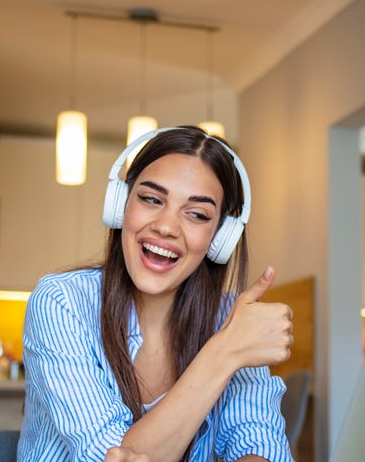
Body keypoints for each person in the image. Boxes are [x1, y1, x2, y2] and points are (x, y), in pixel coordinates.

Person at [18, 126, 294, 462]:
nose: (166, 226)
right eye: (151, 199)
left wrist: (231, 340)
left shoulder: (230, 319)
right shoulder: (61, 302)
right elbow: (107, 458)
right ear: (120, 205)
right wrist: (225, 351)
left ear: (220, 237)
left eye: (197, 214)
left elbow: (259, 445)